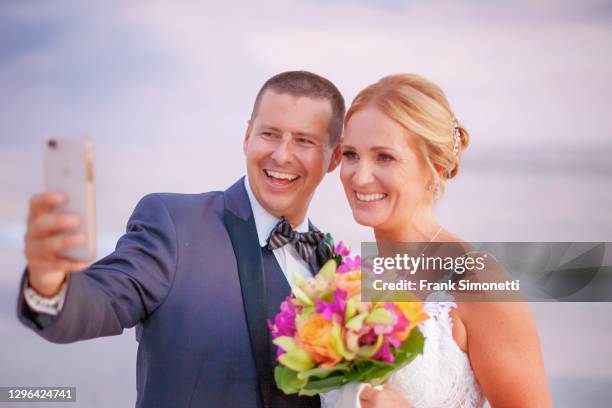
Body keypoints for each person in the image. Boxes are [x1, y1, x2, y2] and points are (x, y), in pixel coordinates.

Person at [18, 71, 345, 408]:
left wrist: (402, 230)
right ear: (248, 137)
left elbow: (392, 342)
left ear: (333, 158)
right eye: (269, 134)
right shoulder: (174, 223)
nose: (281, 155)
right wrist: (48, 280)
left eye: (304, 141)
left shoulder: (343, 265)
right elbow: (101, 300)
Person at [326, 74, 552, 407]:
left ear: (437, 166)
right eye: (351, 154)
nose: (359, 176)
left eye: (384, 157)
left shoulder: (478, 281)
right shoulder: (353, 278)